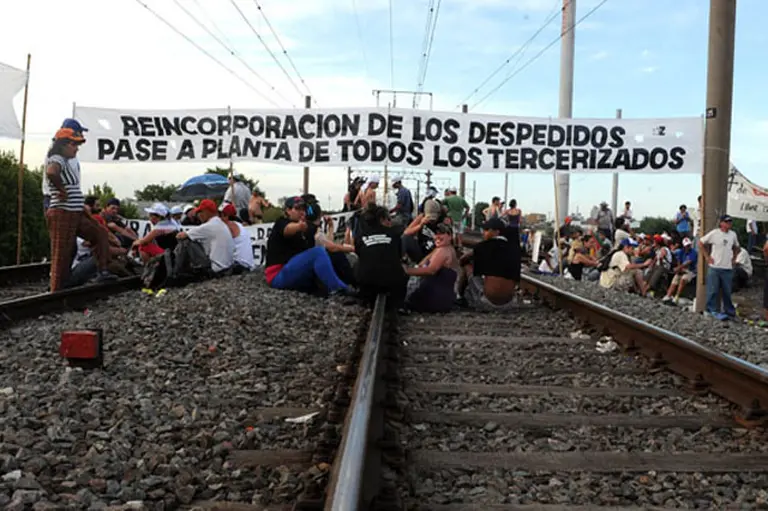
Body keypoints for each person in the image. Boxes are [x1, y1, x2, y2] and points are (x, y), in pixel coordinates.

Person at [44, 127, 116, 291]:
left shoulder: (69, 161)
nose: (76, 148)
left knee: (100, 233)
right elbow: (51, 172)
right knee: (62, 252)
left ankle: (103, 271)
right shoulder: (57, 158)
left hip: (75, 211)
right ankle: (56, 289)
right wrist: (62, 190)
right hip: (63, 212)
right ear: (63, 145)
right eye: (73, 144)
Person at [264, 196, 349, 295]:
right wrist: (299, 226)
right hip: (277, 275)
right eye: (297, 208)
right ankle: (338, 288)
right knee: (318, 252)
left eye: (303, 209)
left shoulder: (308, 227)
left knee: (331, 255)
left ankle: (352, 284)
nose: (301, 212)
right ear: (288, 210)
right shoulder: (281, 222)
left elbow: (328, 245)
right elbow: (287, 230)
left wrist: (330, 227)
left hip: (295, 270)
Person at [355, 205, 408, 310]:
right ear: (381, 219)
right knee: (402, 268)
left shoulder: (361, 235)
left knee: (358, 263)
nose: (391, 222)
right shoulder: (394, 234)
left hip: (366, 281)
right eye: (388, 219)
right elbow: (399, 256)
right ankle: (399, 303)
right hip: (393, 281)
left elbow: (360, 254)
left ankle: (364, 297)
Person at [460, 217, 520, 310]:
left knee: (467, 266)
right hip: (510, 303)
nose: (484, 232)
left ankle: (460, 297)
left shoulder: (483, 246)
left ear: (497, 232)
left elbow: (463, 260)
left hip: (487, 302)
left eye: (487, 230)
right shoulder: (515, 249)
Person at [404, 223, 458, 313]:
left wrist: (407, 270)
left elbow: (431, 270)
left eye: (441, 233)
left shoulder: (444, 251)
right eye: (436, 234)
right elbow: (421, 264)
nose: (437, 236)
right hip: (441, 299)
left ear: (450, 236)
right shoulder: (443, 249)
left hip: (435, 299)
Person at [176, 199, 234, 274]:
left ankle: (177, 272)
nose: (198, 215)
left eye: (199, 212)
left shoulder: (209, 226)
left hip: (216, 268)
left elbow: (180, 236)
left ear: (206, 212)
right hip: (227, 266)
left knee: (185, 242)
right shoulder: (220, 223)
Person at [698, 215, 740, 318]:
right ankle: (711, 310)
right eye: (726, 222)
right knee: (713, 290)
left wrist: (734, 258)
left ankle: (729, 311)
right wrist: (707, 257)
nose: (729, 224)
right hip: (715, 266)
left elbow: (737, 247)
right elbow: (701, 242)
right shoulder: (714, 233)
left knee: (727, 291)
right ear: (721, 223)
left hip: (727, 267)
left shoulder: (733, 235)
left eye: (730, 222)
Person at [220, 203, 255, 272]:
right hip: (247, 264)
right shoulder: (238, 225)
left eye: (219, 215)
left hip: (240, 265)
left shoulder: (229, 226)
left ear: (225, 216)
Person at [662, 237, 698, 304]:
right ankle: (668, 295)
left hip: (691, 271)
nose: (688, 247)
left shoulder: (694, 252)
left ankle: (676, 297)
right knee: (675, 279)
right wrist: (679, 269)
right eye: (686, 246)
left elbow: (688, 262)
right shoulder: (681, 251)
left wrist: (678, 268)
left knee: (683, 279)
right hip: (682, 269)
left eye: (688, 245)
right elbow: (679, 261)